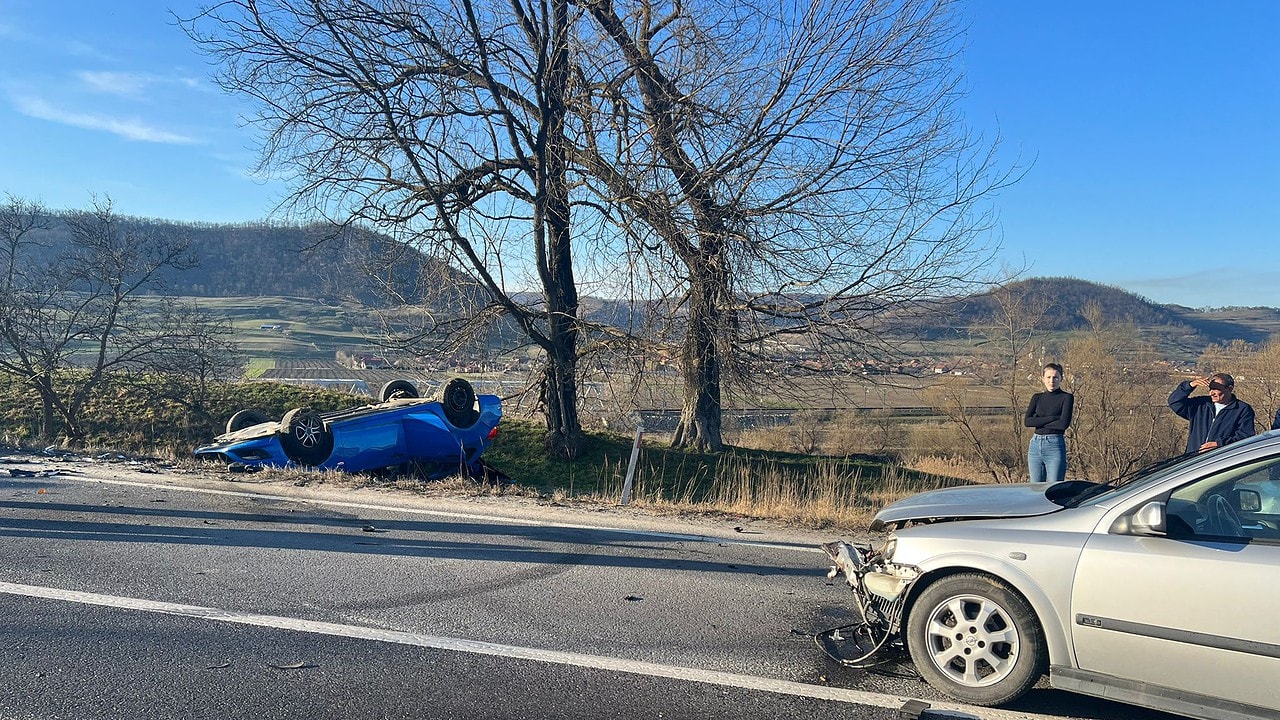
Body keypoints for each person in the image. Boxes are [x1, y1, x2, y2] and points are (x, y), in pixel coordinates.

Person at [1168, 373, 1255, 454]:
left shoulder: (1242, 410)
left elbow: (1245, 437)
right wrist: (1189, 385)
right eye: (1210, 389)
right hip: (1193, 461)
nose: (1211, 393)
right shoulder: (1201, 404)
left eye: (1216, 389)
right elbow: (1175, 402)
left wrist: (1219, 444)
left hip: (1220, 462)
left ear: (1229, 389)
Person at [1024, 363, 1074, 482]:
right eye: (1048, 377)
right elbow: (1028, 421)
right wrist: (1053, 418)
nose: (1052, 380)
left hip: (1054, 445)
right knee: (1035, 488)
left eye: (1055, 377)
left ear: (1061, 379)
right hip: (1035, 445)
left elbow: (1063, 424)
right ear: (1043, 378)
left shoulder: (1066, 398)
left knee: (1054, 488)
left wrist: (1039, 421)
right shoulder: (1037, 398)